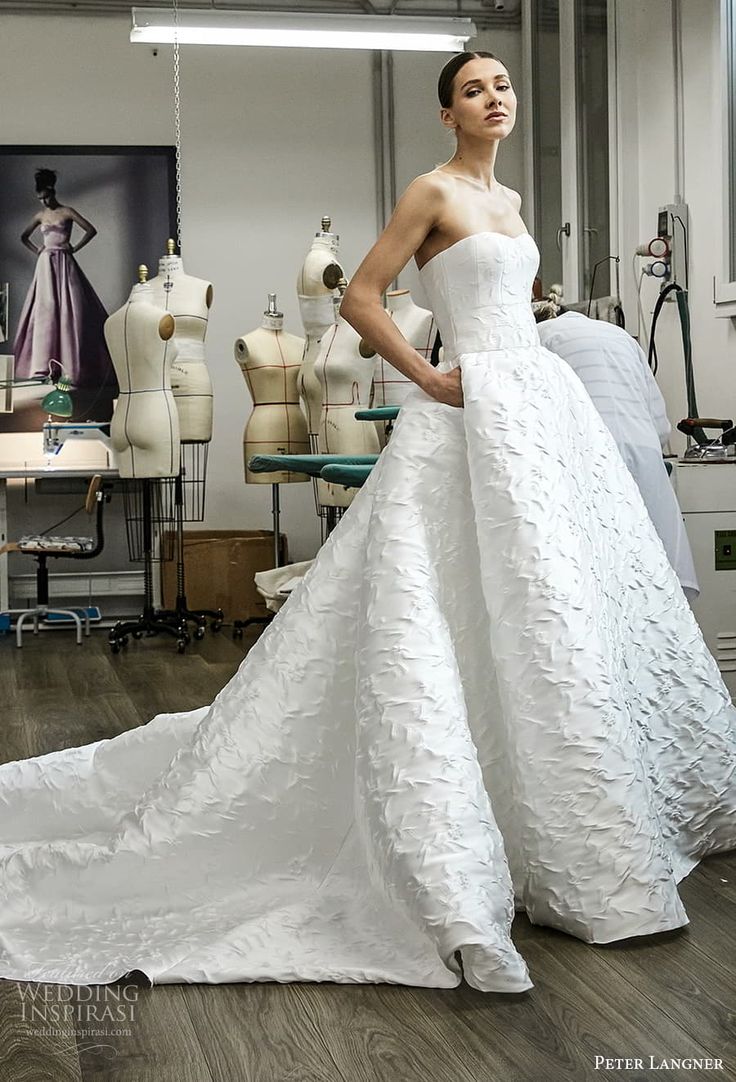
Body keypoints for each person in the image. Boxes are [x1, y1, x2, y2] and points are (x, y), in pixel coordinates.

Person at [0, 54, 734, 997]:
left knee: (549, 594)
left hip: (535, 412)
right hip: (468, 404)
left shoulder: (509, 203)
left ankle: (564, 800)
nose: (496, 97)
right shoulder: (430, 191)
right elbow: (360, 298)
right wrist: (430, 379)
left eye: (505, 84)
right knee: (456, 593)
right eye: (474, 89)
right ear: (445, 111)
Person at [532, 300, 699, 601]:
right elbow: (661, 426)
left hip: (584, 453)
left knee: (596, 573)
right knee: (651, 569)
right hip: (644, 451)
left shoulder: (538, 338)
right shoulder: (619, 336)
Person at [13, 167, 113, 387]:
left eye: (46, 197)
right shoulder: (40, 215)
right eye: (40, 199)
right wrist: (39, 249)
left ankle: (71, 367)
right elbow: (23, 237)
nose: (44, 202)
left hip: (64, 262)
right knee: (46, 310)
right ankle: (46, 367)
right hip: (46, 264)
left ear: (52, 191)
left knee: (71, 310)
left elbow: (90, 229)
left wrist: (74, 247)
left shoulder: (67, 211)